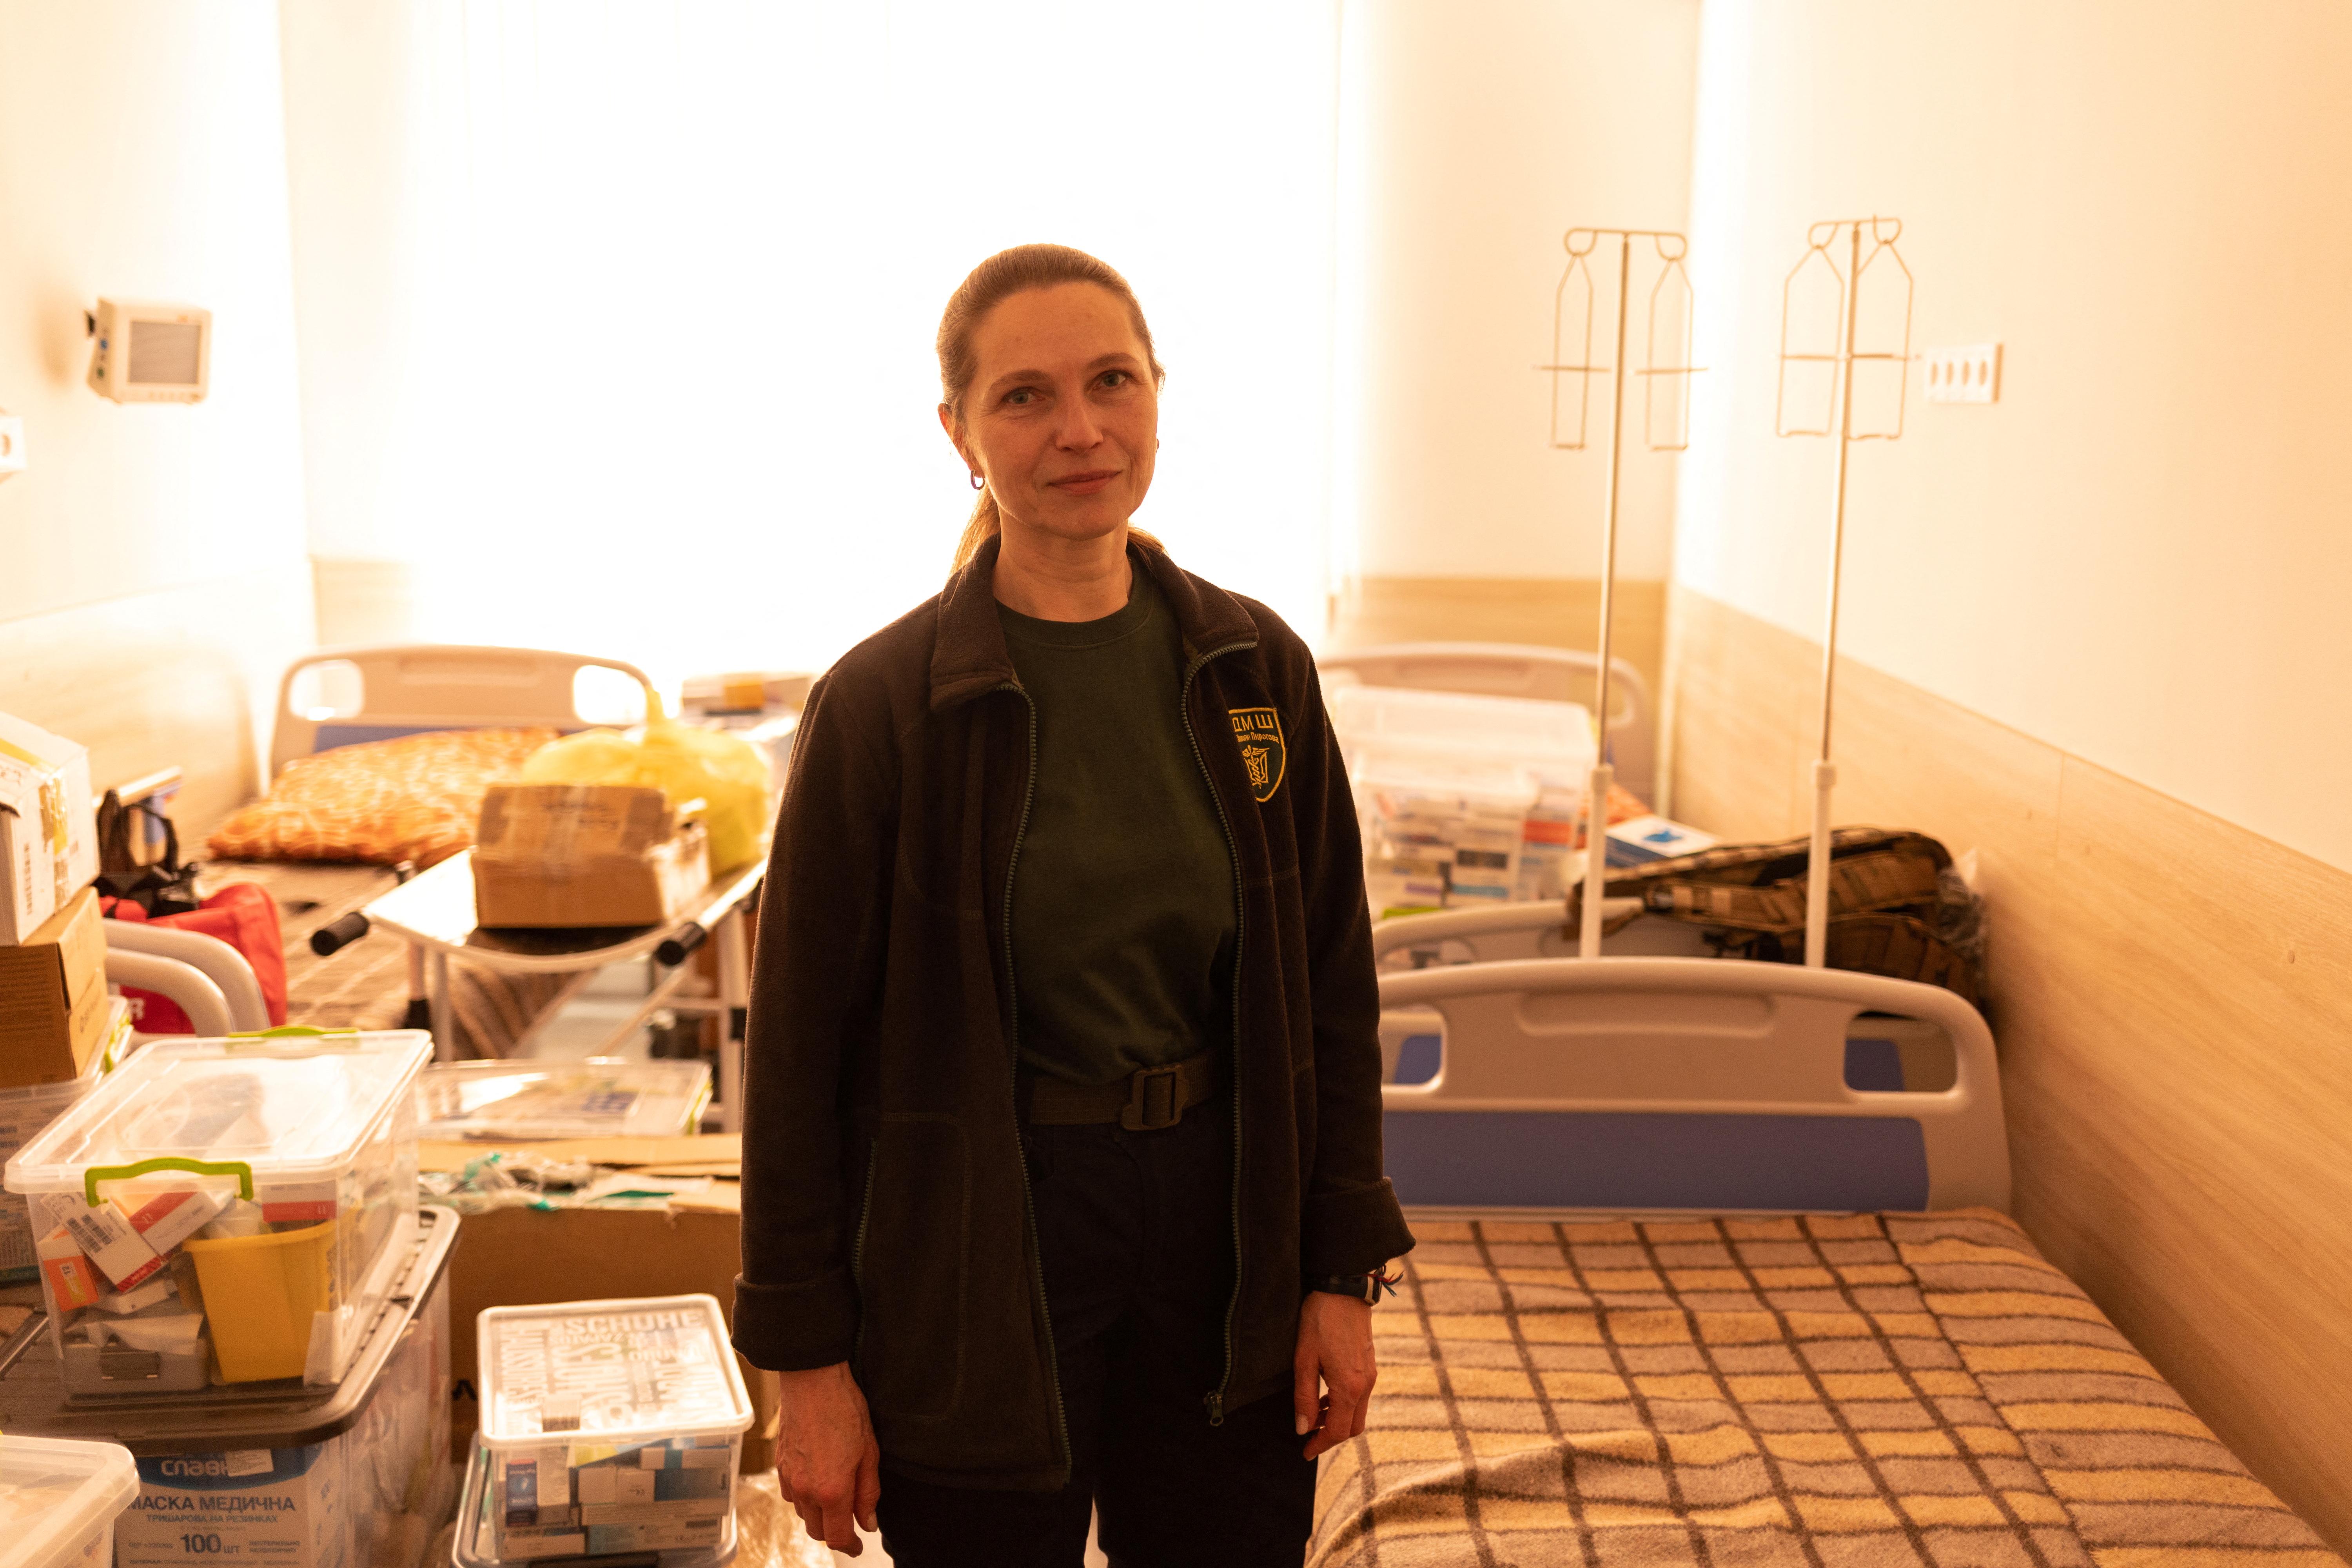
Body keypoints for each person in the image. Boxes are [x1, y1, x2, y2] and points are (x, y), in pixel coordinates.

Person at [731, 243, 1414, 1568]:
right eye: (1025, 397)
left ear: (1159, 391)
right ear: (961, 436)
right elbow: (798, 1063)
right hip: (980, 1237)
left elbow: (1332, 987)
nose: (1081, 430)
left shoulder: (1250, 667)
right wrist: (806, 1365)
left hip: (1226, 1234)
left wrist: (1341, 1274)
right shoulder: (884, 709)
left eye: (1112, 381)